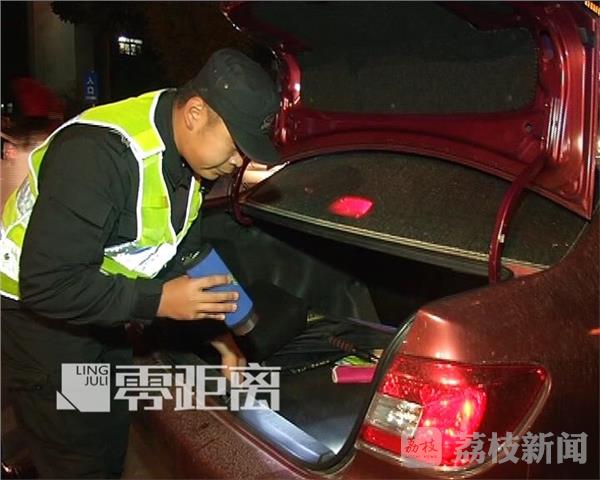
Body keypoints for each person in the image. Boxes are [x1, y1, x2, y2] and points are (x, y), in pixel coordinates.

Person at [0, 48, 280, 478]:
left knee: (109, 424)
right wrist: (160, 301)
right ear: (195, 113)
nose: (240, 162)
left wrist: (225, 339)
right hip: (39, 323)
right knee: (78, 457)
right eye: (237, 145)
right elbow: (47, 284)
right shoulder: (98, 155)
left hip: (97, 311)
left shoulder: (190, 159)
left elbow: (183, 252)